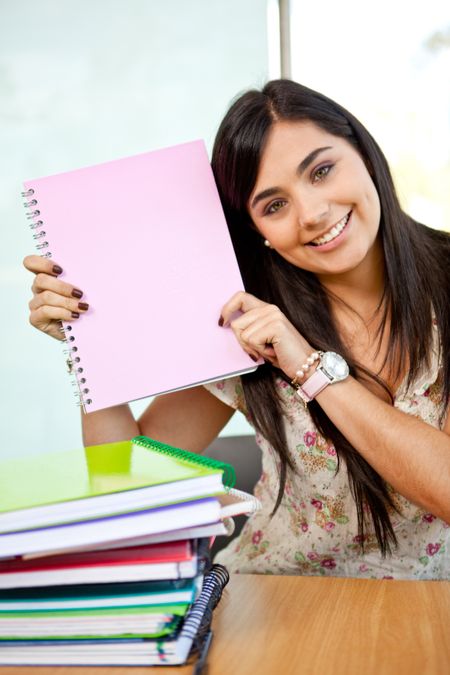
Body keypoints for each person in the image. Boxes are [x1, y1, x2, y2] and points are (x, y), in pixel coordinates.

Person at [23, 79, 450, 580]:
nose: (312, 215)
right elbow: (125, 484)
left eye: (322, 170)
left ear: (363, 151)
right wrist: (87, 342)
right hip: (268, 599)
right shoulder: (247, 319)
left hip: (423, 611)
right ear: (256, 231)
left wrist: (307, 368)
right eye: (274, 205)